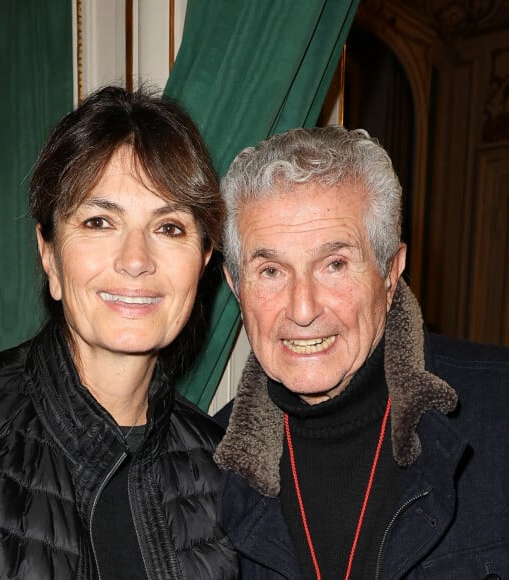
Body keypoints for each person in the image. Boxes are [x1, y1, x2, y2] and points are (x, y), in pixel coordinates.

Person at [0, 85, 238, 579]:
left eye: (170, 228)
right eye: (99, 222)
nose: (136, 260)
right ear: (49, 252)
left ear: (203, 260)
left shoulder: (224, 469)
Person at [214, 125, 509, 579]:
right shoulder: (201, 462)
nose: (303, 308)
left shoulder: (500, 407)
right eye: (271, 271)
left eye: (334, 265)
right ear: (237, 287)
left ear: (390, 273)